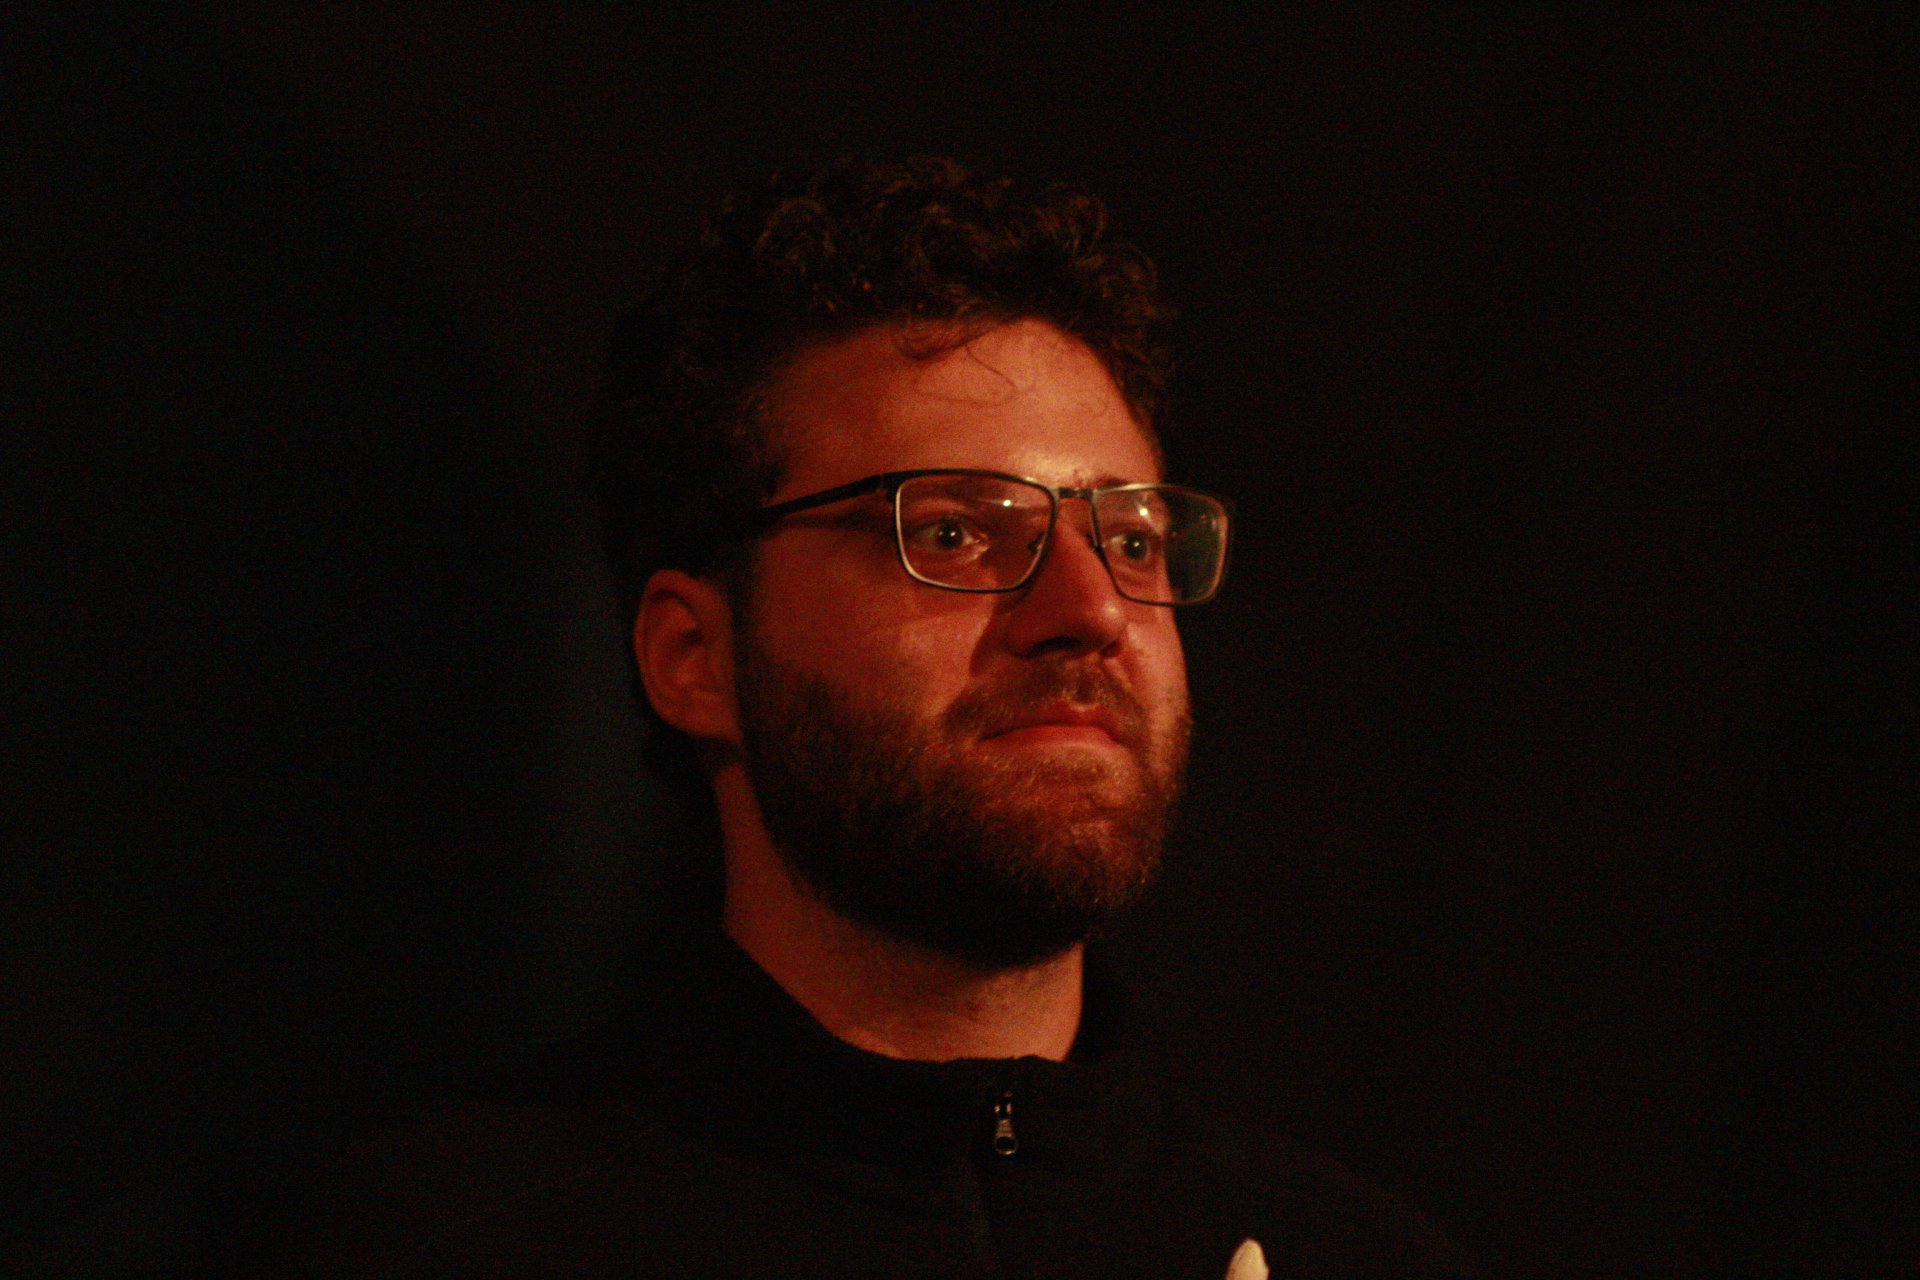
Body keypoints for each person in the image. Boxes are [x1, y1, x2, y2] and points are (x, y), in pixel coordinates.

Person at [281, 156, 1478, 1279]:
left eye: (1130, 537)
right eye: (953, 531)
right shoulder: (434, 1238)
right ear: (694, 656)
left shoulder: (1362, 1255)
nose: (1090, 610)